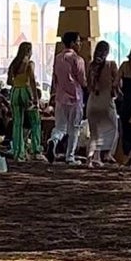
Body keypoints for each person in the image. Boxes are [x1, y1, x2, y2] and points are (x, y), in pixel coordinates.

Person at [48, 32, 87, 165]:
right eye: (78, 41)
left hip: (60, 97)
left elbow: (55, 78)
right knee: (74, 129)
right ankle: (70, 157)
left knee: (60, 127)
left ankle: (53, 140)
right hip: (75, 98)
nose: (80, 44)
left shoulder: (58, 58)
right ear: (72, 43)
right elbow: (82, 81)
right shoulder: (78, 60)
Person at [6, 42, 43, 161]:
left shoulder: (14, 64)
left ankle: (18, 152)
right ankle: (35, 149)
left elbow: (8, 82)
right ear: (29, 51)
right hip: (26, 92)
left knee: (17, 123)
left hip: (15, 92)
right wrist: (35, 98)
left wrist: (18, 82)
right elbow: (32, 80)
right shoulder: (29, 64)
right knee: (35, 121)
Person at [85, 40, 118, 166]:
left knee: (94, 134)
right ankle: (108, 154)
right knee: (114, 129)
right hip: (106, 103)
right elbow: (117, 84)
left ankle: (91, 159)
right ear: (107, 52)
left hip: (92, 102)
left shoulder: (90, 66)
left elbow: (88, 86)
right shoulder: (111, 65)